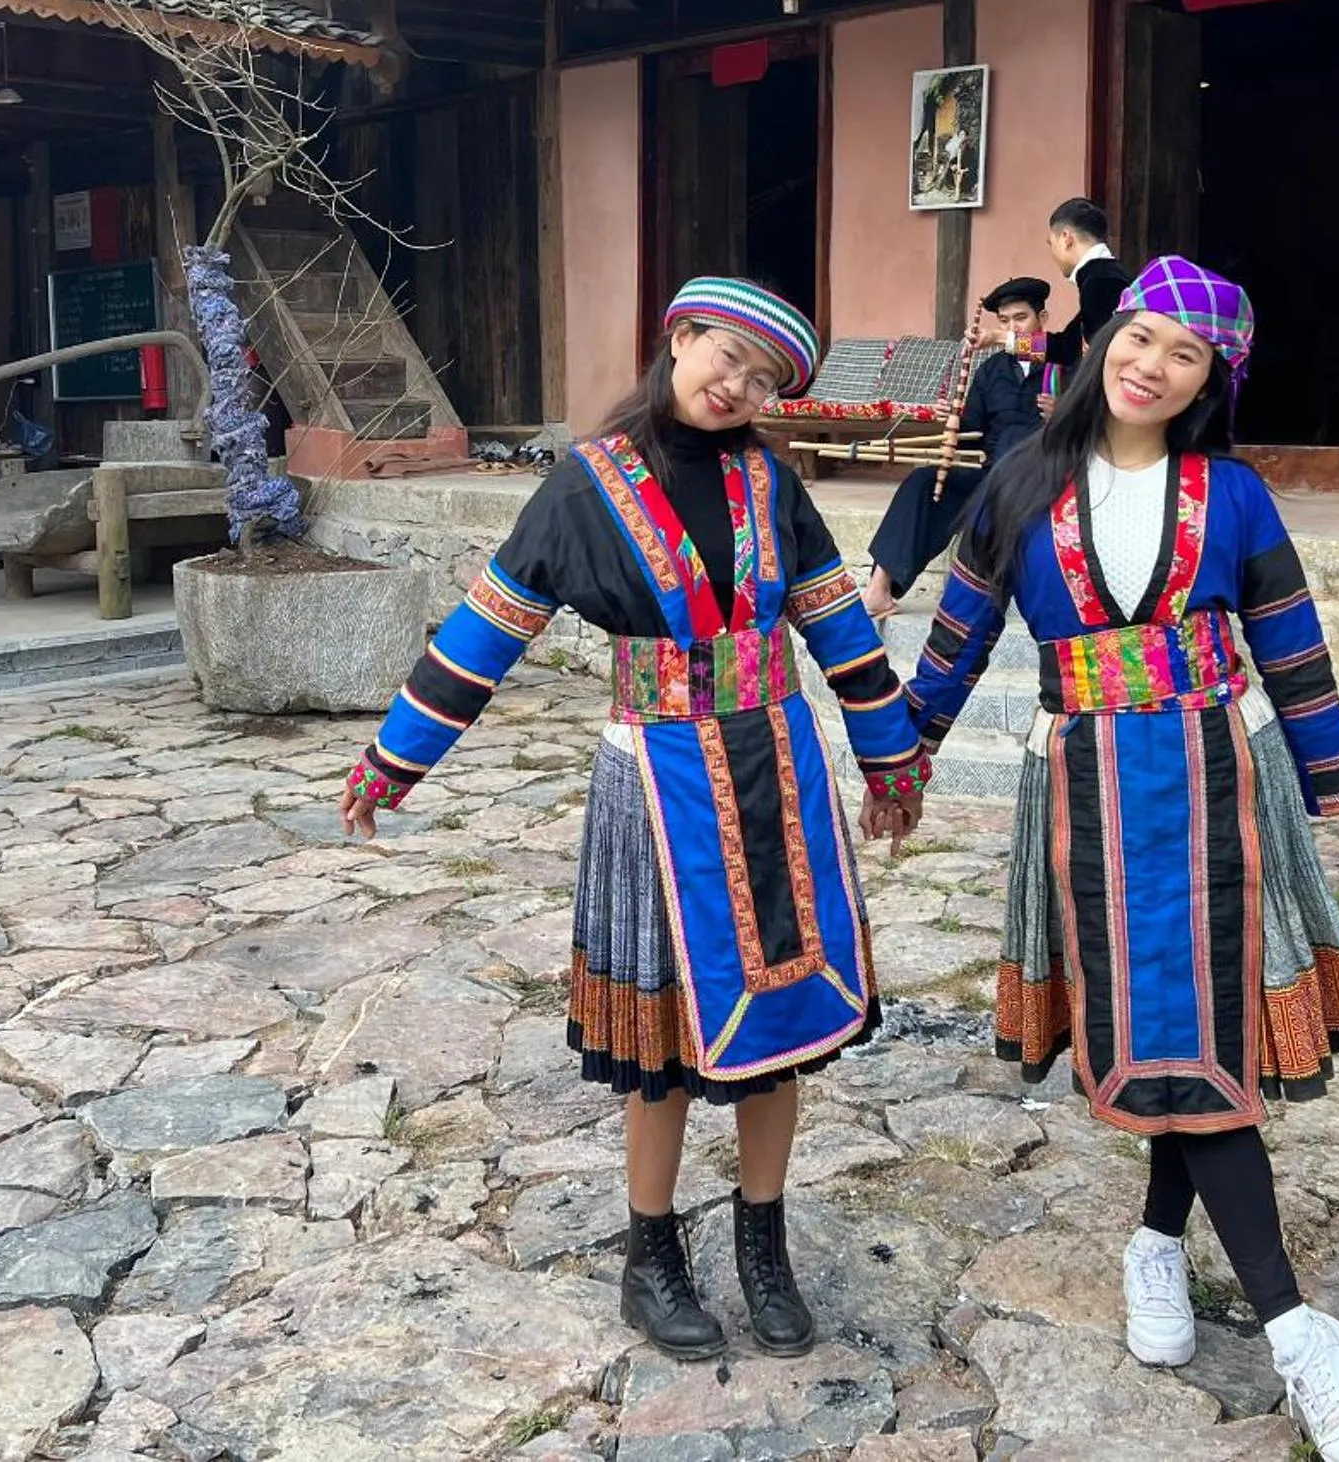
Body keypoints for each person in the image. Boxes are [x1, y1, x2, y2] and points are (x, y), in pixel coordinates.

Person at [339, 278, 930, 1362]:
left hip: (778, 774)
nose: (736, 385)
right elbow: (488, 631)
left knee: (783, 1025)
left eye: (763, 380)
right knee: (660, 1036)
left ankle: (765, 1241)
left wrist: (892, 761)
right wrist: (395, 760)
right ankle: (649, 1254)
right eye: (726, 356)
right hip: (655, 782)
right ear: (680, 337)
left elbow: (842, 635)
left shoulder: (772, 486)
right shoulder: (584, 489)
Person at [906, 255, 1339, 1462]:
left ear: (1208, 383)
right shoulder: (1021, 485)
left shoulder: (1232, 498)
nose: (1152, 365)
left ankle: (1284, 1326)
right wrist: (897, 760)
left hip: (1219, 791)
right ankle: (1225, 1286)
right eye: (1141, 339)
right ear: (1105, 343)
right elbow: (955, 644)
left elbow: (1294, 657)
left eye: (1186, 356)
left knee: (1200, 1043)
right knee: (1162, 1041)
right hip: (1082, 794)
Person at [859, 276, 1052, 620]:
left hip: (1045, 478)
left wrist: (1062, 413)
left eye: (1020, 318)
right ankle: (879, 589)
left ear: (1043, 318)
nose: (1011, 327)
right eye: (1004, 322)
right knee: (923, 483)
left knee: (1012, 453)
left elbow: (1092, 420)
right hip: (993, 476)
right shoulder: (991, 370)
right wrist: (952, 418)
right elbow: (973, 429)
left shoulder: (1063, 362)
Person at [1042, 196, 1128, 380]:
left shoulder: (1102, 281)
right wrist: (1001, 339)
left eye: (1051, 243)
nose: (1052, 253)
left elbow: (1101, 357)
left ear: (1066, 238)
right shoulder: (1101, 276)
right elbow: (1066, 348)